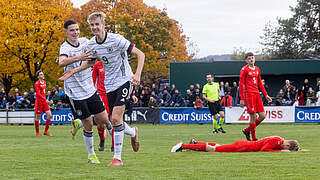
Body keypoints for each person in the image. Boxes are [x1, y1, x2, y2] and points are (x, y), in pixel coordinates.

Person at [61, 13, 144, 166]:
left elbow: (140, 53)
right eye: (92, 25)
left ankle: (117, 158)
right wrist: (72, 71)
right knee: (114, 120)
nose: (94, 28)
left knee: (114, 119)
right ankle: (132, 132)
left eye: (97, 24)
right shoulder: (92, 44)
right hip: (110, 85)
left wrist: (137, 74)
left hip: (125, 79)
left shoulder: (116, 39)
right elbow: (90, 63)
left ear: (103, 24)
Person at [58, 19, 111, 164]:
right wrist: (79, 57)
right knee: (88, 122)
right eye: (72, 30)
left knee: (105, 120)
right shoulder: (65, 48)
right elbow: (61, 62)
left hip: (90, 89)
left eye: (77, 29)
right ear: (66, 32)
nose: (75, 32)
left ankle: (78, 123)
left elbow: (92, 60)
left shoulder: (85, 42)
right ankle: (91, 155)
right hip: (75, 93)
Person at [239, 52, 272, 141]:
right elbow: (241, 84)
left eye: (252, 58)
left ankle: (247, 130)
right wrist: (242, 98)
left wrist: (266, 95)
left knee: (262, 116)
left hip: (257, 94)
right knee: (253, 116)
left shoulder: (257, 69)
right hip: (249, 94)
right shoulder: (244, 70)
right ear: (246, 60)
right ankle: (254, 138)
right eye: (249, 58)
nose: (251, 60)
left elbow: (260, 83)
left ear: (255, 58)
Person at [171, 136, 300, 152]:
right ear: (287, 145)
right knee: (213, 149)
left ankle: (195, 143)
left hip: (244, 145)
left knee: (218, 146)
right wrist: (280, 151)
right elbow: (264, 150)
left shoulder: (280, 140)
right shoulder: (277, 142)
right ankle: (183, 146)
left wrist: (300, 150)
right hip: (243, 147)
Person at [34, 70, 52, 136]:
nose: (43, 75)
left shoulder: (44, 82)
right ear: (38, 76)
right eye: (41, 74)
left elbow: (43, 93)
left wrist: (48, 100)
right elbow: (38, 94)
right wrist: (45, 99)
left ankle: (46, 131)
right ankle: (37, 132)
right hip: (39, 102)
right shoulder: (37, 83)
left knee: (49, 115)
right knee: (38, 117)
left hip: (44, 102)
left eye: (43, 74)